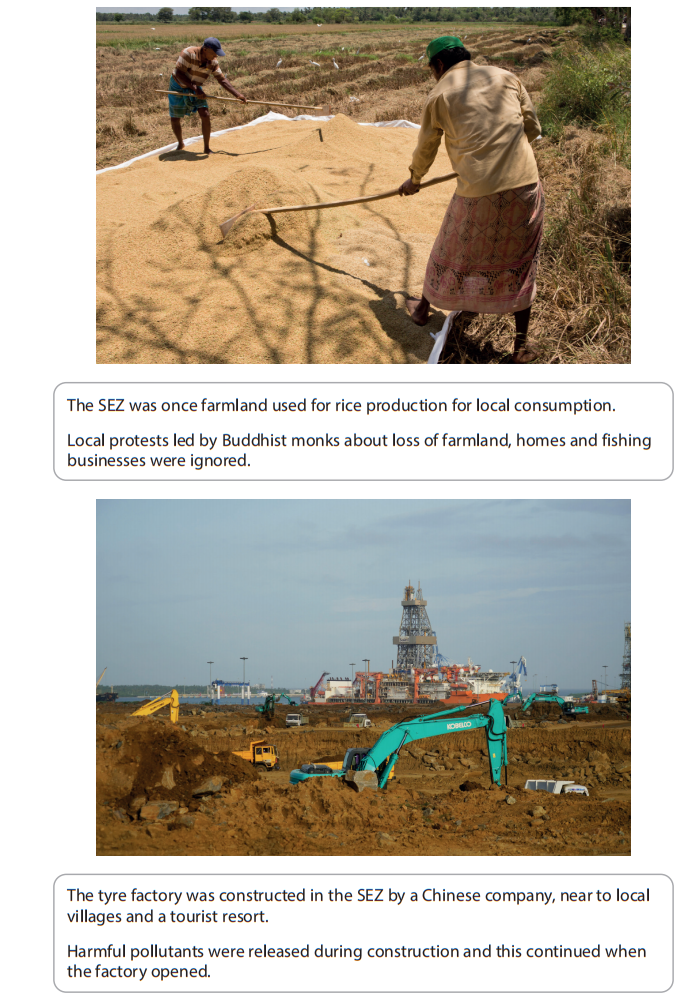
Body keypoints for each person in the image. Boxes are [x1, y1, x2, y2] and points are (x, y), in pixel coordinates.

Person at [399, 36, 544, 363]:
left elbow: (426, 148)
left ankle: (422, 309)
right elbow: (532, 129)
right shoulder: (507, 77)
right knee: (521, 261)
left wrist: (414, 179)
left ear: (438, 66)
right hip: (526, 185)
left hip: (478, 192)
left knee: (449, 248)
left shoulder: (439, 95)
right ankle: (521, 347)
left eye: (431, 69)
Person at [168, 37, 247, 154]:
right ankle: (180, 143)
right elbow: (179, 73)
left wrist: (237, 94)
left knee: (205, 114)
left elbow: (222, 80)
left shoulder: (213, 62)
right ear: (205, 49)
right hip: (178, 85)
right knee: (175, 117)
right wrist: (195, 89)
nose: (216, 56)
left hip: (194, 85)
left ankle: (206, 148)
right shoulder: (188, 54)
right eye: (214, 53)